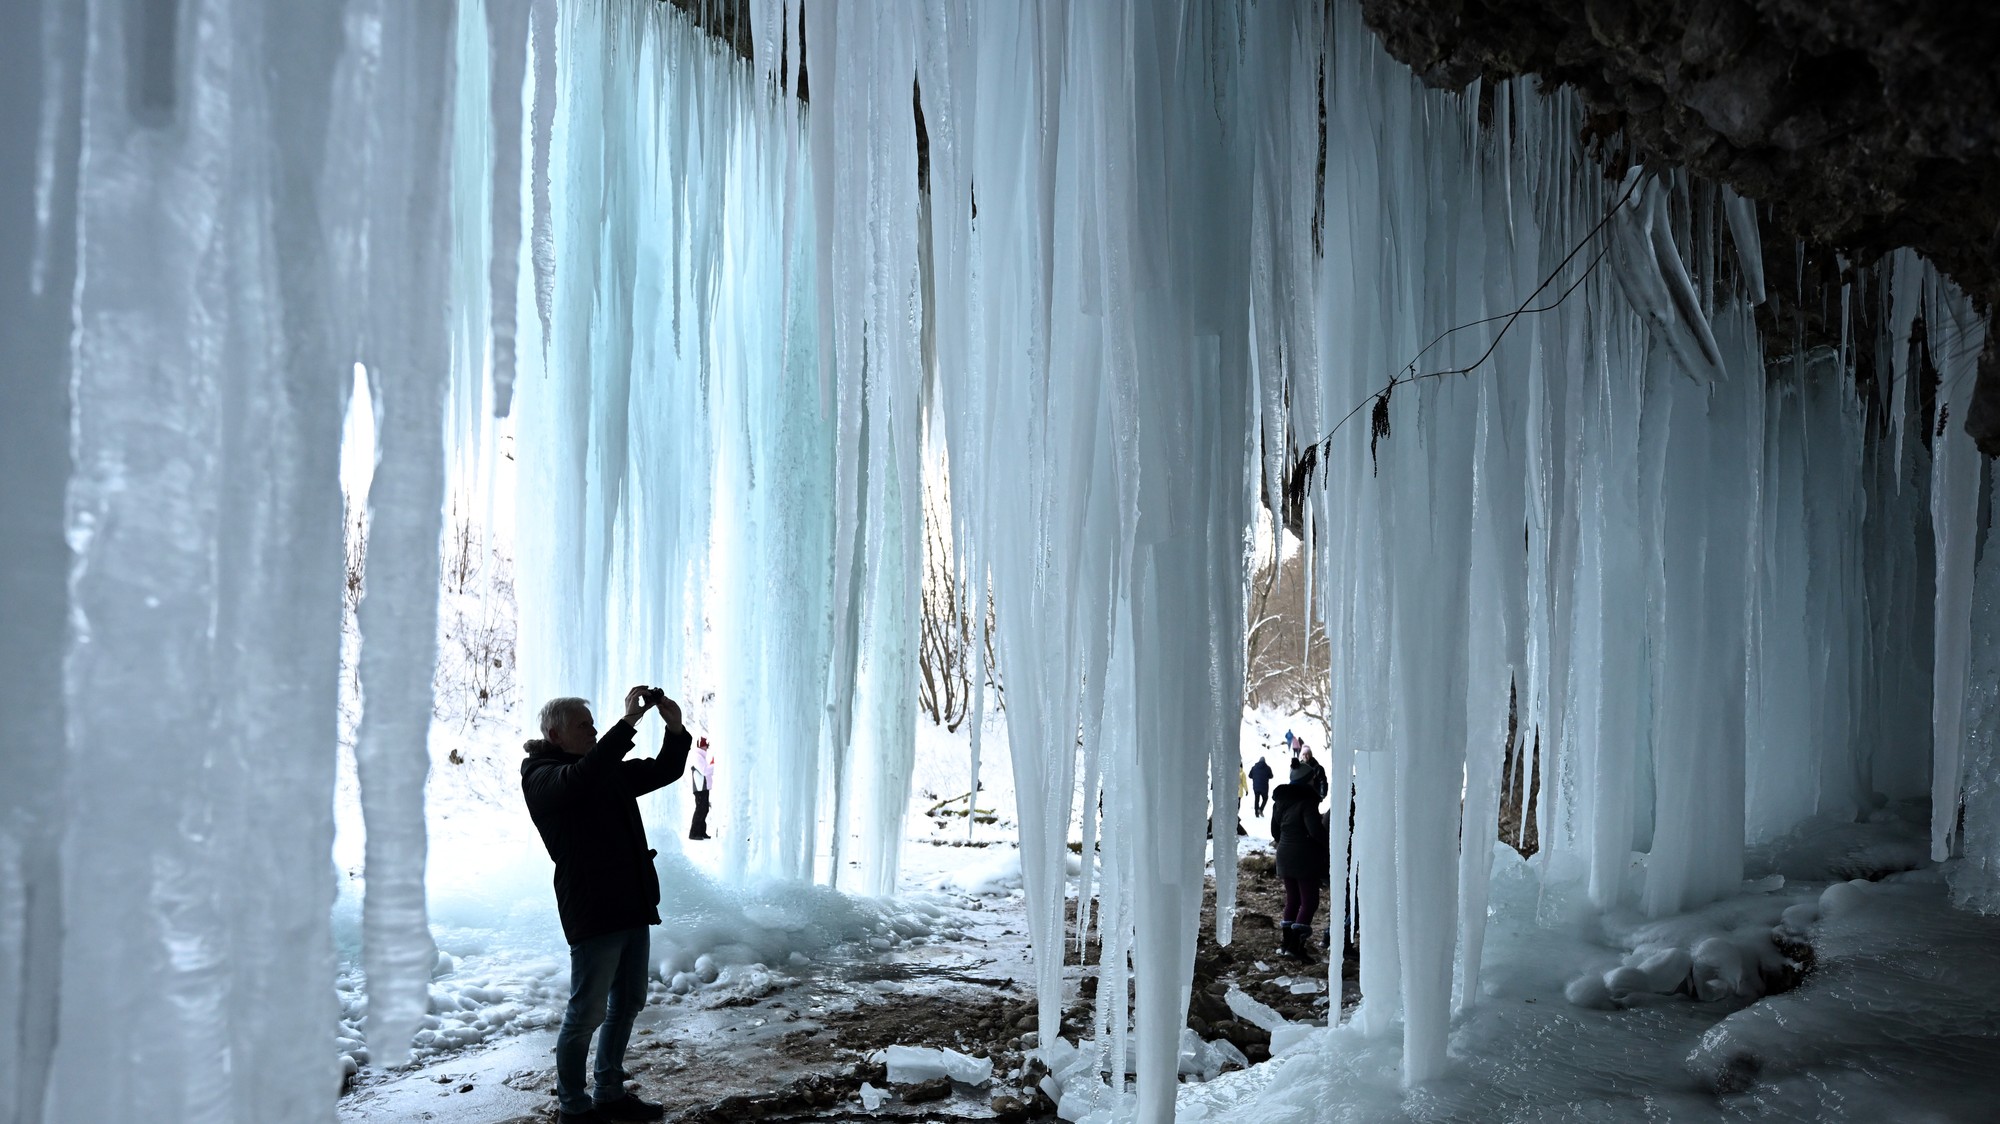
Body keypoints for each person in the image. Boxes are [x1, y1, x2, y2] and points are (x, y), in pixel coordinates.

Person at [522, 685, 691, 1124]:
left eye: (595, 724)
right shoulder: (542, 776)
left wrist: (673, 728)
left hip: (631, 902)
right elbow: (583, 779)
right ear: (556, 735)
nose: (594, 730)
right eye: (585, 725)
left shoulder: (600, 769)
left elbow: (663, 770)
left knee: (629, 1002)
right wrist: (628, 722)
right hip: (594, 909)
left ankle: (610, 1094)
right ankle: (573, 1109)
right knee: (586, 1013)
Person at [1269, 773, 1328, 963]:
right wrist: (1330, 844)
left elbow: (1275, 831)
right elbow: (1315, 831)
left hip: (1284, 854)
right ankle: (1296, 947)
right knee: (1309, 901)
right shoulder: (1307, 802)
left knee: (1293, 899)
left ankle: (1286, 944)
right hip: (1304, 856)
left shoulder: (1280, 802)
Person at [687, 736, 714, 840]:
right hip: (700, 787)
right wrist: (714, 764)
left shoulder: (700, 756)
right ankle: (694, 833)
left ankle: (701, 832)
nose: (706, 748)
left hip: (703, 786)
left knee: (704, 809)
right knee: (700, 809)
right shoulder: (697, 756)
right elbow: (704, 771)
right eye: (705, 746)